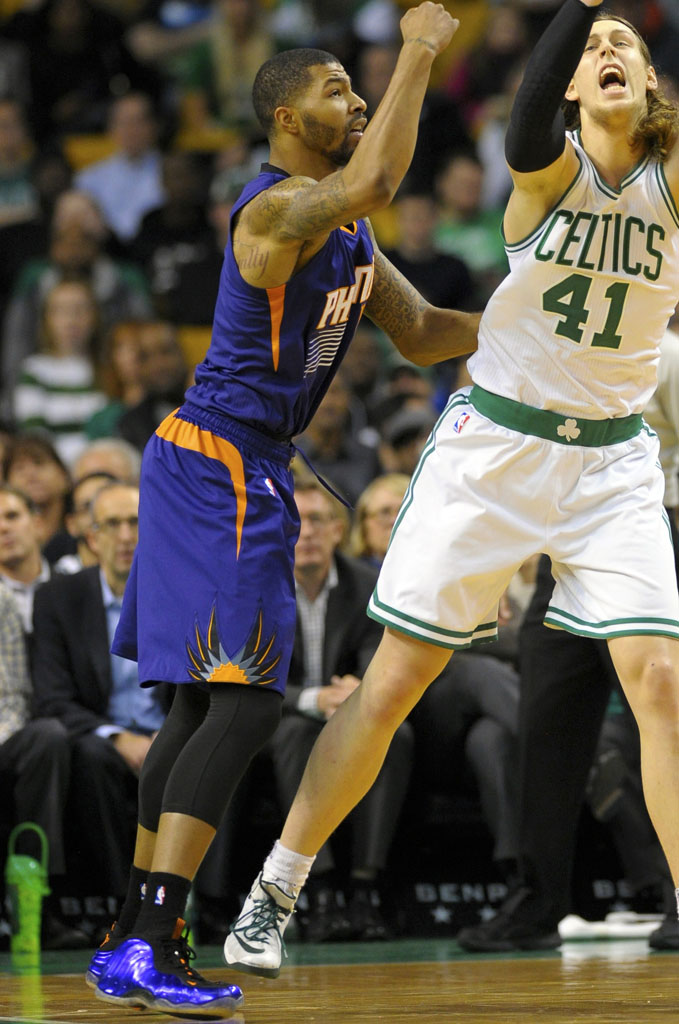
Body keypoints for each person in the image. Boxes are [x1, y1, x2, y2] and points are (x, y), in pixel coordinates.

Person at [224, 0, 679, 981]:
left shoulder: (668, 184)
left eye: (625, 49)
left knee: (659, 683)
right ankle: (276, 887)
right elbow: (521, 126)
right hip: (499, 453)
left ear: (652, 86)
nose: (606, 55)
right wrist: (584, 7)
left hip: (611, 464)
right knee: (392, 682)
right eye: (591, 49)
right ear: (566, 81)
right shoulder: (547, 173)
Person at [91, 5, 478, 1018]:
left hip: (224, 460)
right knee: (248, 700)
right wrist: (421, 53)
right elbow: (379, 181)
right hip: (219, 457)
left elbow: (430, 334)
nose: (353, 102)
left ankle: (139, 936)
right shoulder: (272, 208)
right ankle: (150, 934)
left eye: (361, 88)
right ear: (284, 115)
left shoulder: (342, 229)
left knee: (201, 703)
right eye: (336, 90)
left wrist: (536, 318)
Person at [267, 474, 411, 942]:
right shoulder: (256, 586)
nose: (306, 532)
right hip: (278, 716)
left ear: (337, 530)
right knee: (294, 736)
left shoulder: (367, 582)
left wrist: (358, 691)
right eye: (297, 520)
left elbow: (379, 660)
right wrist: (312, 698)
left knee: (393, 733)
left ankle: (365, 888)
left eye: (318, 520)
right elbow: (245, 674)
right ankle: (320, 890)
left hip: (345, 713)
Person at [31, 482, 171, 913]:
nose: (127, 536)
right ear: (93, 538)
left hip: (171, 731)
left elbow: (198, 684)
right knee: (92, 757)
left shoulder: (180, 594)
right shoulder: (59, 597)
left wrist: (165, 738)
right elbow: (53, 698)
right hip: (102, 737)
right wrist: (118, 737)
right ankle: (121, 903)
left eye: (136, 523)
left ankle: (208, 904)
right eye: (113, 525)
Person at [0, 580, 89, 950]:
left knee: (48, 736)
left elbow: (16, 695)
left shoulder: (1, 599)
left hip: (4, 735)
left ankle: (36, 904)